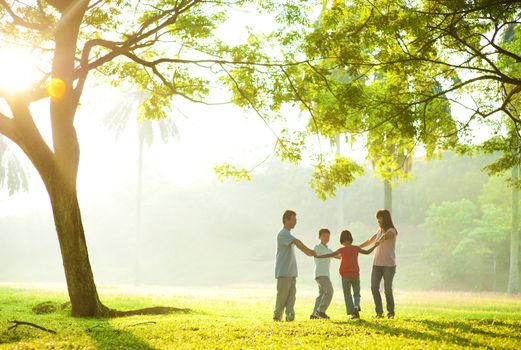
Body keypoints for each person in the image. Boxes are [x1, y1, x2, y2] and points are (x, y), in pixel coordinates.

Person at [317, 230, 378, 319]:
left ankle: (352, 312)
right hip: (356, 274)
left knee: (347, 294)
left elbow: (330, 254)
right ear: (351, 239)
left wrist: (318, 256)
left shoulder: (341, 250)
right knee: (357, 293)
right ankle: (356, 307)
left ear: (342, 240)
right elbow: (368, 252)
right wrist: (375, 245)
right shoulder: (356, 248)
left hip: (345, 275)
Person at [273, 210, 316, 322]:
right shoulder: (283, 234)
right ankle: (277, 317)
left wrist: (310, 253)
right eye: (293, 219)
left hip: (291, 272)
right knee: (282, 297)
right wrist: (310, 252)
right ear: (286, 220)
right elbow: (298, 243)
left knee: (291, 297)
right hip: (283, 271)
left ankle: (290, 317)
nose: (295, 222)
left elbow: (298, 244)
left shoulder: (288, 234)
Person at [360, 209, 398, 319]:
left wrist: (379, 240)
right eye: (377, 218)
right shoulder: (378, 231)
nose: (378, 220)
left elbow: (387, 236)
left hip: (389, 265)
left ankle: (390, 312)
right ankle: (379, 312)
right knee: (374, 288)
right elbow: (369, 241)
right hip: (377, 264)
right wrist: (357, 248)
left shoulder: (392, 230)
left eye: (380, 218)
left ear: (385, 219)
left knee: (387, 289)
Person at [310, 228, 338, 320]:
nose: (326, 238)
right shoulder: (317, 247)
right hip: (320, 274)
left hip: (325, 275)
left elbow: (338, 256)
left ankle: (314, 314)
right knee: (329, 291)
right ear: (319, 237)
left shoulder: (329, 250)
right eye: (324, 236)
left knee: (321, 295)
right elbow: (315, 254)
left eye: (328, 236)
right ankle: (321, 311)